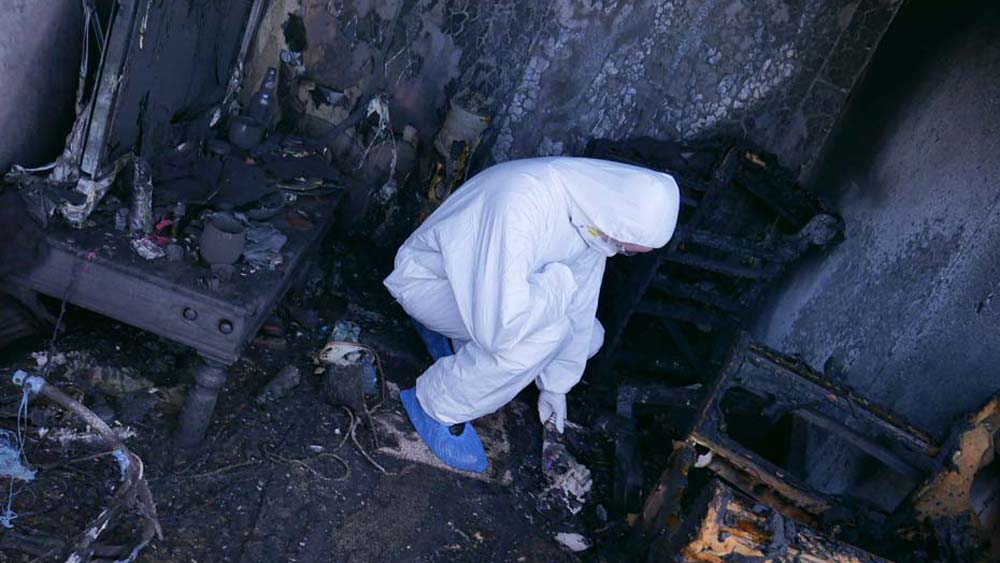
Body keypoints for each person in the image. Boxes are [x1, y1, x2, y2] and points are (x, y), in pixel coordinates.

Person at [384, 157, 680, 472]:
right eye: (626, 246)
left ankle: (453, 339)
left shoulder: (593, 218)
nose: (622, 251)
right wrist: (559, 284)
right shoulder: (524, 199)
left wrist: (556, 385)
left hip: (475, 297)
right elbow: (503, 327)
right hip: (431, 282)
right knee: (542, 337)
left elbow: (581, 307)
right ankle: (436, 404)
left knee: (590, 336)